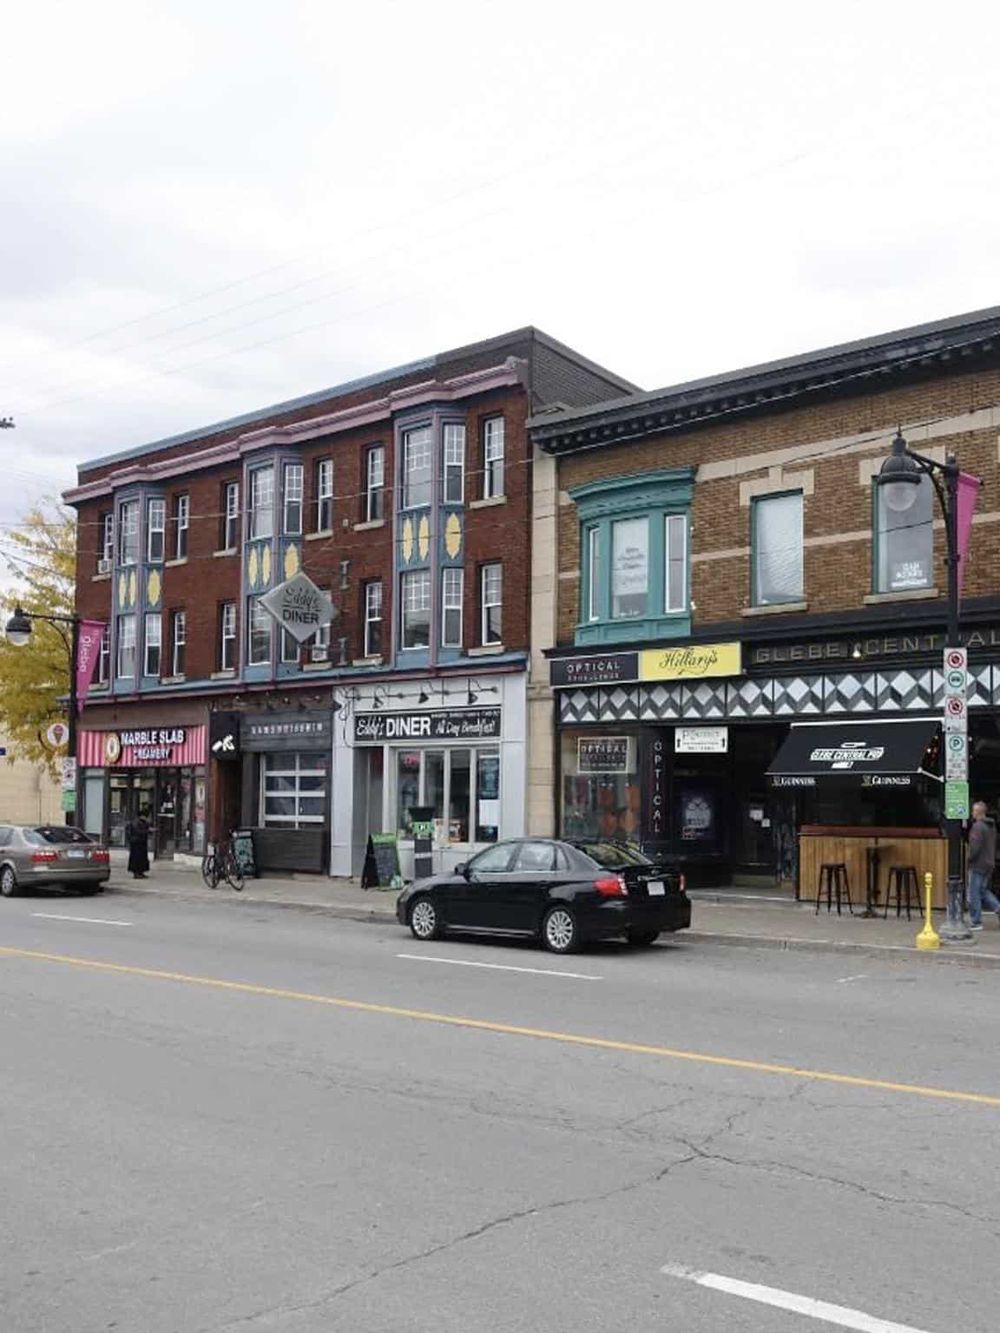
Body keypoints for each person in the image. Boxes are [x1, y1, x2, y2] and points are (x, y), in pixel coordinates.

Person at [967, 800, 1000, 929]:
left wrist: (969, 859)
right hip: (989, 863)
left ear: (978, 812)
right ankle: (998, 908)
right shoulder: (991, 826)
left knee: (974, 892)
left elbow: (975, 848)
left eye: (973, 810)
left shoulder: (977, 827)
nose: (972, 813)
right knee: (982, 890)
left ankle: (976, 921)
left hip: (978, 864)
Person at [126, 810, 151, 880]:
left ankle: (141, 872)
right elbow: (139, 832)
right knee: (137, 859)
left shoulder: (142, 822)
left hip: (141, 843)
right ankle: (136, 873)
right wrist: (147, 831)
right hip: (136, 844)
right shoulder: (136, 823)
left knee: (142, 859)